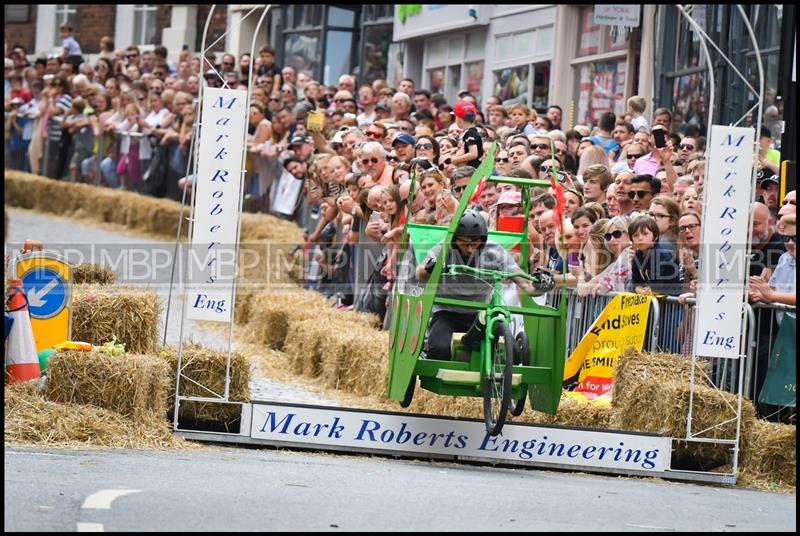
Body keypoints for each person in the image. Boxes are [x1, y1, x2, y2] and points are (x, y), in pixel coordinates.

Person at [415, 210, 553, 360]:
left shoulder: (495, 252)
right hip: (446, 313)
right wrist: (430, 268)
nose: (470, 249)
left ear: (483, 239)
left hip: (480, 315)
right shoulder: (443, 248)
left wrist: (542, 286)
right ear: (455, 239)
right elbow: (419, 273)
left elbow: (527, 286)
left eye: (474, 243)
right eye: (464, 243)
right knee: (440, 350)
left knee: (510, 351)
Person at [450, 100, 483, 169]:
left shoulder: (470, 133)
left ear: (459, 118)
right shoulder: (468, 132)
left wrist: (456, 160)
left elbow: (473, 154)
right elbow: (467, 147)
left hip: (472, 171)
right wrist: (455, 149)